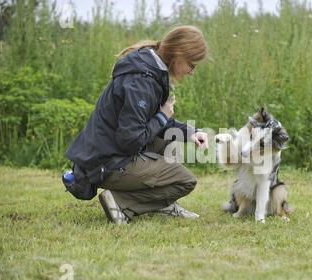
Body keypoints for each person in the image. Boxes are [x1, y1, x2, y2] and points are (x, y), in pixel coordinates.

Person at [66, 25, 209, 224]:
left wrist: (192, 132)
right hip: (107, 162)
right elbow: (129, 140)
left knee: (172, 139)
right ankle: (121, 202)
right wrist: (162, 116)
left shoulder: (150, 68)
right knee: (185, 181)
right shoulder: (142, 81)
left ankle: (163, 204)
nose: (191, 72)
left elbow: (150, 120)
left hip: (108, 154)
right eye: (192, 65)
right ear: (179, 55)